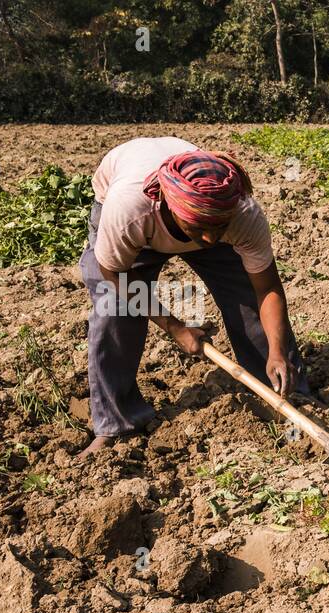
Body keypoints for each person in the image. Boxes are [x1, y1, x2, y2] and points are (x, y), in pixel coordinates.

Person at [78, 137, 308, 455]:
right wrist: (176, 328)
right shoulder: (128, 209)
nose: (210, 238)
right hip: (137, 228)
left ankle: (283, 390)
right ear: (171, 207)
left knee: (246, 294)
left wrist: (278, 351)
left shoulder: (239, 213)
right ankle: (116, 423)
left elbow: (267, 288)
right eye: (200, 228)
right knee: (115, 309)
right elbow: (115, 275)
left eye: (219, 227)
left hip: (200, 213)